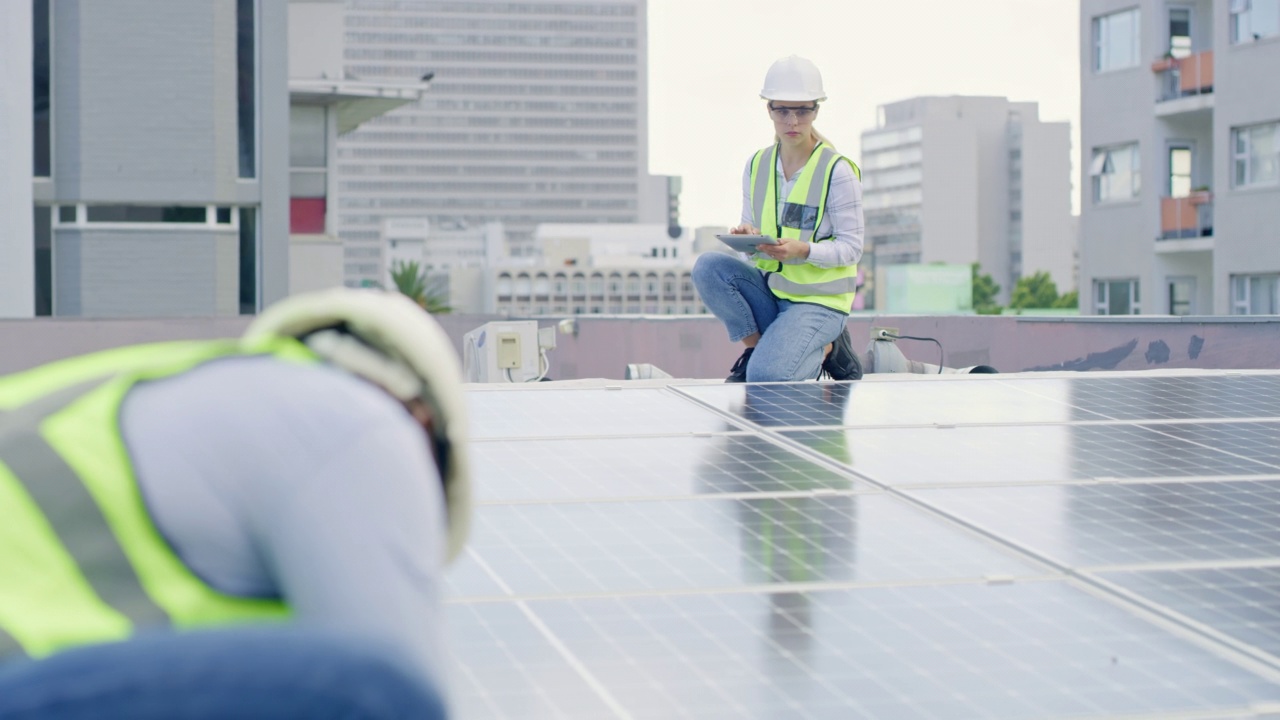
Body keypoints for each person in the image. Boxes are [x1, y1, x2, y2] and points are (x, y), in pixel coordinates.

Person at [0, 288, 471, 719]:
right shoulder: (359, 422)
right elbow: (399, 685)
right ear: (423, 420)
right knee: (380, 691)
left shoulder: (168, 389)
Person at [692, 55, 865, 383]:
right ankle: (759, 349)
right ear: (768, 109)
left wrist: (803, 250)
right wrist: (749, 238)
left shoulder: (837, 171)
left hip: (818, 305)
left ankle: (830, 346)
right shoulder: (757, 165)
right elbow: (750, 254)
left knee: (766, 378)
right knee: (708, 267)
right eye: (782, 110)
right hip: (772, 294)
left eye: (803, 110)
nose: (793, 121)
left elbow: (852, 249)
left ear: (817, 110)